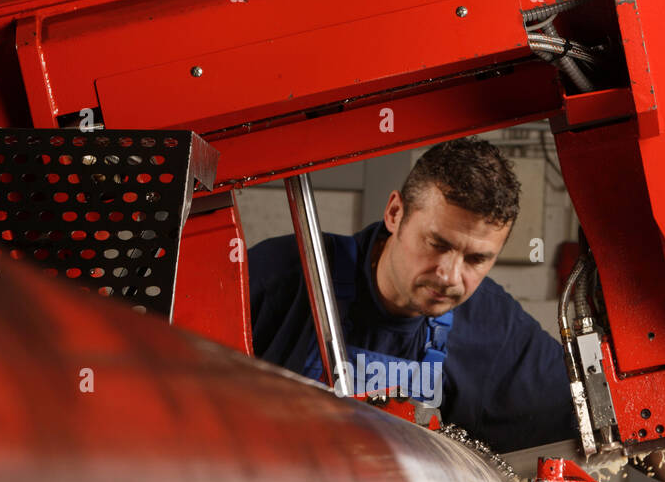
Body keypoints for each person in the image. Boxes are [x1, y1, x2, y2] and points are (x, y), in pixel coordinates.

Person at [247, 136, 576, 453]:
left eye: (476, 259)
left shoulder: (494, 325)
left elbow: (581, 409)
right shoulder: (282, 275)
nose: (449, 276)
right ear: (394, 213)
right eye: (437, 244)